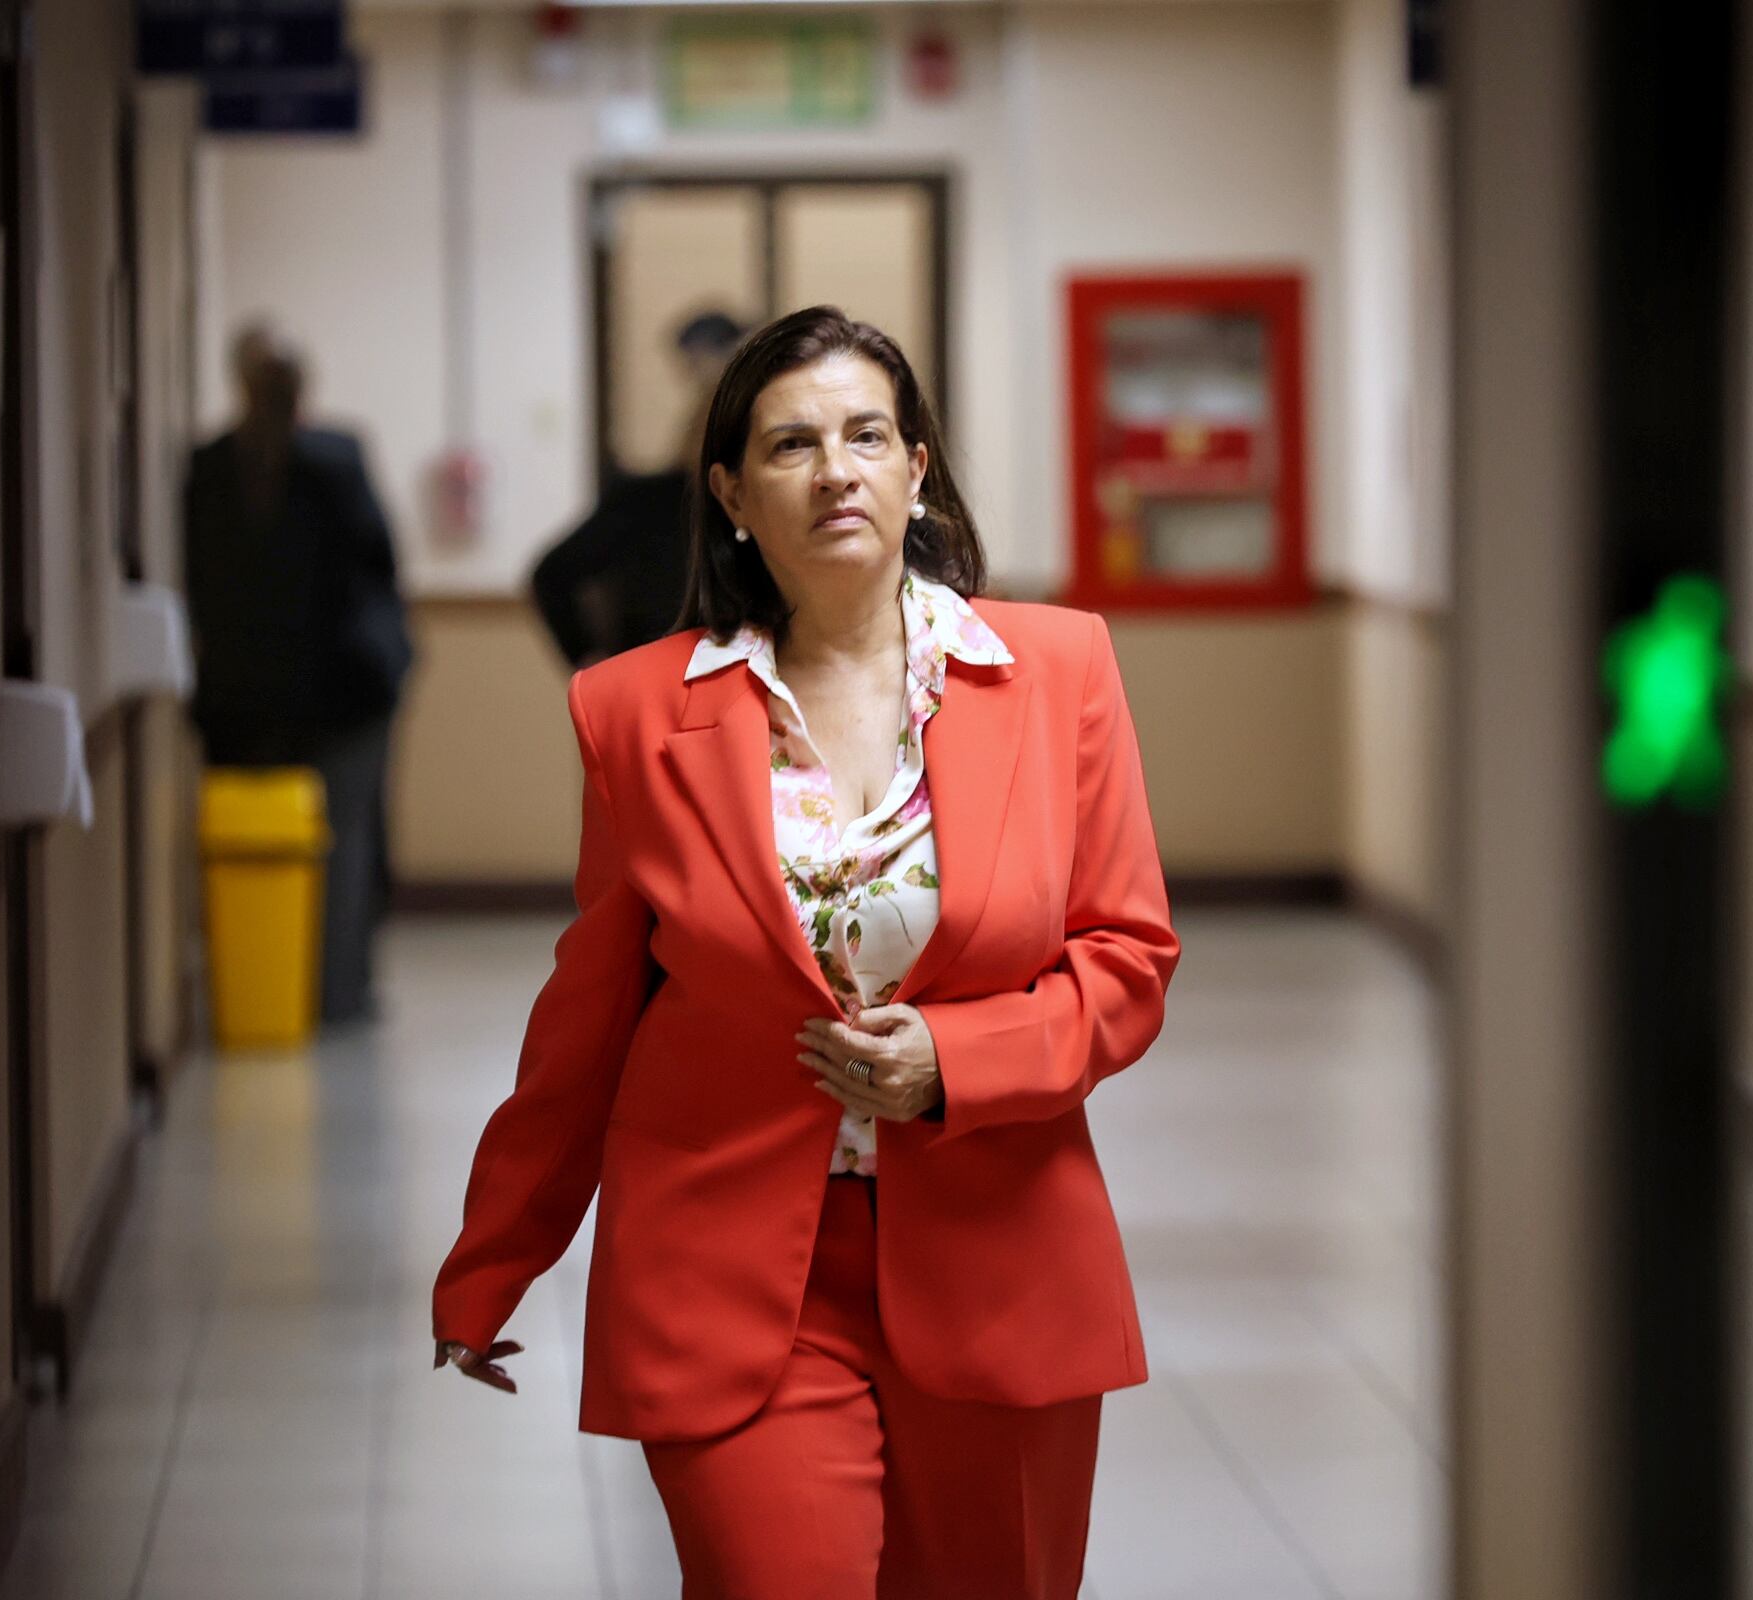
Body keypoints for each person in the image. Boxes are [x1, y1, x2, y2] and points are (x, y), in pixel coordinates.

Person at [431, 306, 1179, 1597]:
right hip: (725, 1270)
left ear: (916, 467)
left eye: (867, 434)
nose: (836, 469)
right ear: (729, 491)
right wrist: (496, 1257)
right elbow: (592, 1013)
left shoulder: (1058, 671)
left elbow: (1125, 956)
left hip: (999, 1257)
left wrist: (957, 1057)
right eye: (790, 444)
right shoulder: (634, 715)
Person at [183, 324, 414, 1025]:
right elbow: (379, 566)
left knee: (265, 850)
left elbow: (202, 583)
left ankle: (267, 987)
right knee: (343, 840)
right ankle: (335, 995)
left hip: (243, 701)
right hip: (346, 694)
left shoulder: (209, 468)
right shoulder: (335, 459)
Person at [529, 309, 745, 667]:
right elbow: (552, 575)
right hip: (652, 680)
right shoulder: (646, 502)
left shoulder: (768, 511)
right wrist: (591, 659)